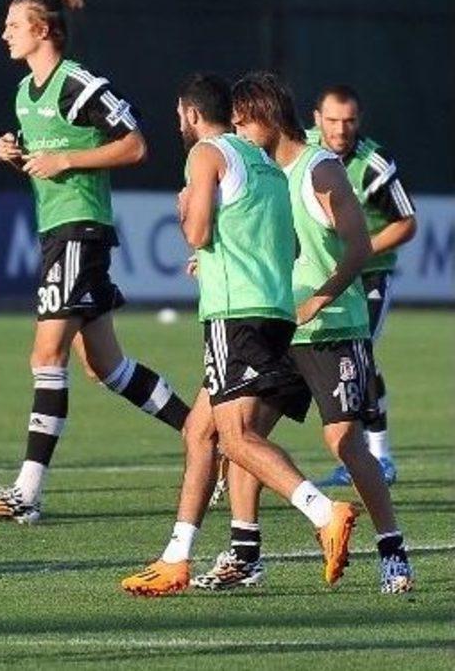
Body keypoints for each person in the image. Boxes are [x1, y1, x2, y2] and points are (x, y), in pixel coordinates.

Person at [121, 72, 360, 597]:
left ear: (191, 113)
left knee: (236, 439)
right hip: (275, 313)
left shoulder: (206, 154)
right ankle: (176, 558)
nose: (178, 124)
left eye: (179, 115)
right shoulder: (266, 163)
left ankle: (324, 512)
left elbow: (198, 231)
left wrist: (185, 210)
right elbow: (285, 244)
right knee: (199, 432)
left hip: (235, 314)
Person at [0, 0, 192, 525]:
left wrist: (66, 158)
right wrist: (14, 153)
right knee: (106, 366)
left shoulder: (78, 83)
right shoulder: (25, 91)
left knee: (46, 355)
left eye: (14, 24)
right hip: (56, 232)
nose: (4, 33)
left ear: (42, 30)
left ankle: (27, 492)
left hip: (80, 231)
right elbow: (46, 161)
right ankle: (205, 439)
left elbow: (134, 145)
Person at [189, 74, 414, 594]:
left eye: (243, 122)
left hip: (333, 327)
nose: (237, 132)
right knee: (244, 435)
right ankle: (245, 554)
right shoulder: (259, 170)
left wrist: (320, 298)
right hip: (277, 323)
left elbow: (359, 247)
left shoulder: (321, 169)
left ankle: (393, 552)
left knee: (344, 443)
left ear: (266, 117)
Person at [309, 85, 416, 487]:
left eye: (349, 121)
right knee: (339, 359)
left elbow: (407, 222)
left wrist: (360, 249)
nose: (341, 129)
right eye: (333, 120)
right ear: (316, 118)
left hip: (369, 275)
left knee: (359, 355)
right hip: (321, 274)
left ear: (360, 120)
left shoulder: (373, 163)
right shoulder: (302, 149)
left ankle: (379, 457)